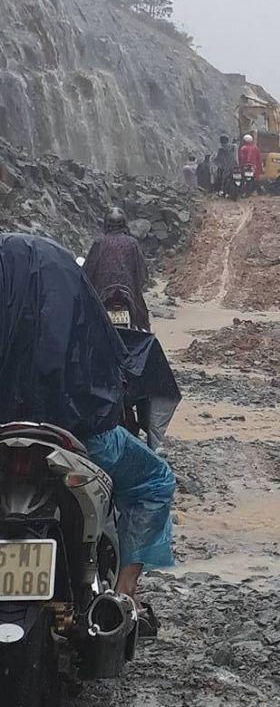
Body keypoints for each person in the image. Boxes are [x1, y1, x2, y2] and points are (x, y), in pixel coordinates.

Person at [0, 233, 175, 632]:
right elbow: (103, 350)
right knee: (154, 480)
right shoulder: (67, 278)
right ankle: (126, 595)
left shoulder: (87, 254)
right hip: (75, 435)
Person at [84, 207, 150, 331]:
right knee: (142, 322)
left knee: (86, 320)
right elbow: (141, 270)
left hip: (102, 295)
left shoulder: (99, 242)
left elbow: (88, 269)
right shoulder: (132, 243)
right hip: (128, 294)